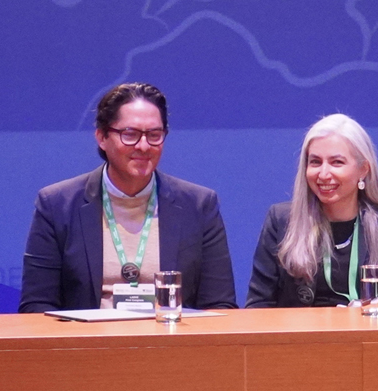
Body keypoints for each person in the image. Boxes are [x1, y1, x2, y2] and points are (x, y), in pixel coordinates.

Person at [20, 82, 237, 312]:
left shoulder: (199, 205)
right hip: (89, 344)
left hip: (171, 342)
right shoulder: (57, 205)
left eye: (154, 135)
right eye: (130, 134)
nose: (144, 146)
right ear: (102, 137)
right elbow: (37, 306)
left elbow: (219, 305)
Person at [246, 114, 378, 307]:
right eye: (315, 162)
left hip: (369, 334)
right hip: (301, 336)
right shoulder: (281, 221)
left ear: (363, 169)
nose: (324, 174)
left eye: (337, 162)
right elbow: (258, 307)